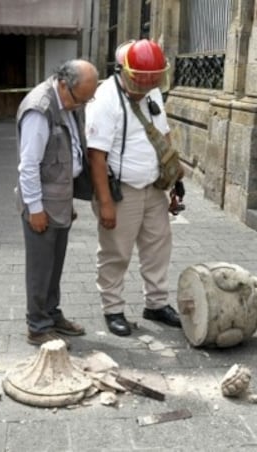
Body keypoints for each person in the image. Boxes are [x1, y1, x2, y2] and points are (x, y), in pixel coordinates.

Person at [85, 39, 184, 337]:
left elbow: (163, 137)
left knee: (158, 247)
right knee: (116, 252)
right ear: (124, 71)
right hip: (121, 191)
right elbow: (96, 156)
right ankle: (112, 309)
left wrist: (172, 182)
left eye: (154, 78)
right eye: (141, 78)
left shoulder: (152, 89)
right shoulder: (105, 99)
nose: (147, 84)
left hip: (153, 187)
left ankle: (156, 303)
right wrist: (105, 204)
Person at [15, 59, 98, 347]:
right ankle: (38, 326)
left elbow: (69, 154)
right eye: (80, 99)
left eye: (88, 99)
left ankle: (51, 313)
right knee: (40, 268)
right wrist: (35, 209)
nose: (82, 105)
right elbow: (28, 166)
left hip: (59, 200)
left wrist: (69, 200)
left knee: (54, 265)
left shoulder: (70, 104)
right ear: (64, 84)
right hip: (42, 205)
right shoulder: (40, 109)